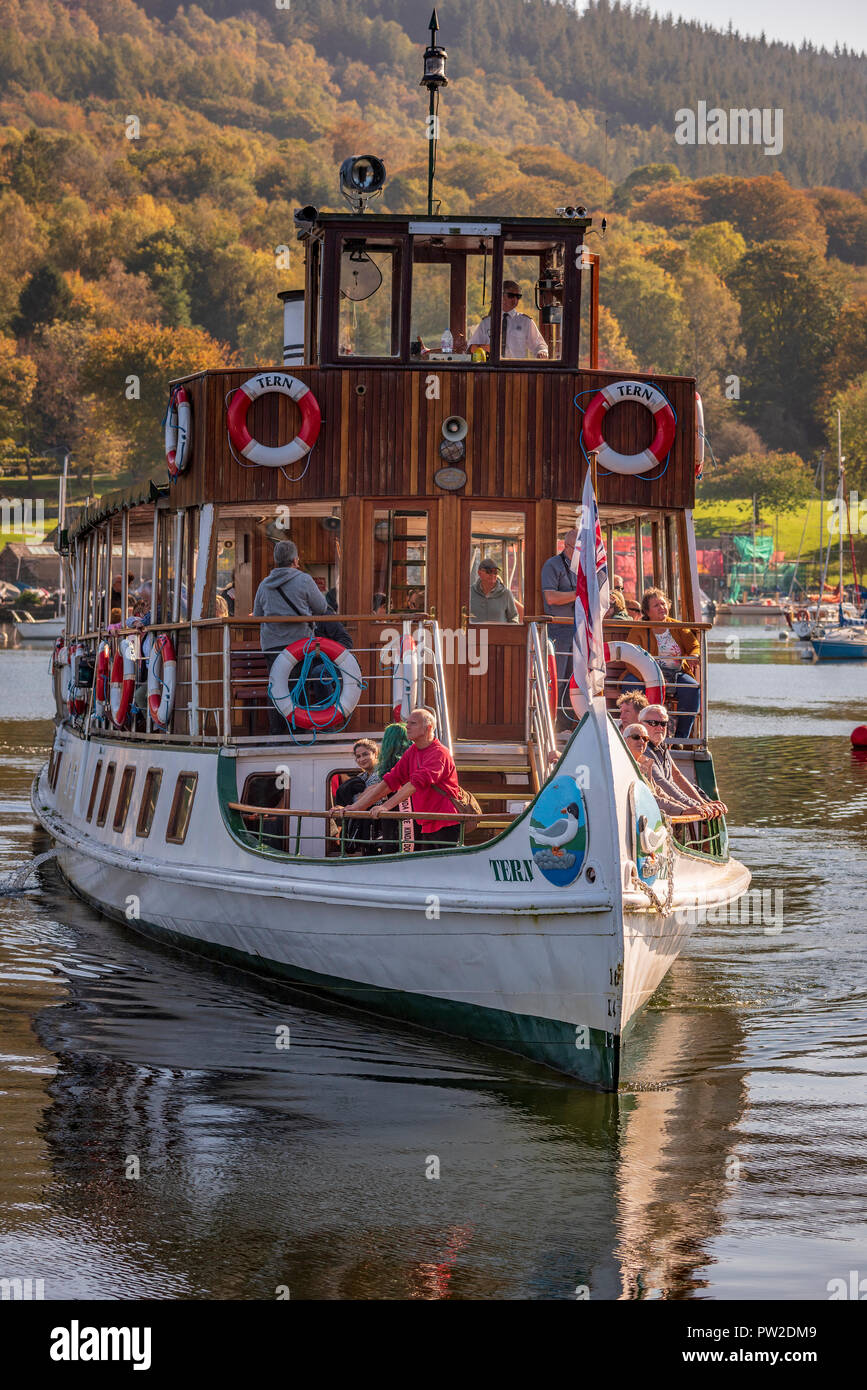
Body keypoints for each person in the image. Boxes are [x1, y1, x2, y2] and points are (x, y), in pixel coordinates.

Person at [335, 708, 461, 850]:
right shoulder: (412, 751)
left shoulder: (439, 753)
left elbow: (413, 784)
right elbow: (390, 781)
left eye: (413, 723)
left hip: (444, 823)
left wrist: (385, 807)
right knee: (427, 868)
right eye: (407, 723)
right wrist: (357, 807)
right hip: (426, 822)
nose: (407, 726)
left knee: (439, 868)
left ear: (428, 728)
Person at [252, 539, 328, 734]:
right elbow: (321, 607)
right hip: (300, 644)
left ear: (276, 560)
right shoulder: (304, 580)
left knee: (277, 684)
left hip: (272, 645)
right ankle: (299, 729)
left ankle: (277, 730)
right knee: (299, 685)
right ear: (295, 559)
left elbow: (258, 614)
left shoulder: (264, 584)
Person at [626, 587, 701, 740]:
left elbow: (694, 645)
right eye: (656, 605)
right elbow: (630, 657)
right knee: (630, 685)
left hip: (675, 674)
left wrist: (695, 655)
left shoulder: (678, 627)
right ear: (647, 612)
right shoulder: (639, 629)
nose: (662, 608)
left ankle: (681, 738)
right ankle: (633, 735)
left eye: (663, 604)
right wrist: (646, 677)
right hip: (645, 674)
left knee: (692, 688)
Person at [639, 705, 727, 817]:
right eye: (653, 723)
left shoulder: (661, 746)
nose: (659, 727)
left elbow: (676, 777)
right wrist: (692, 806)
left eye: (663, 723)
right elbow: (662, 783)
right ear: (641, 725)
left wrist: (703, 803)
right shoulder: (643, 750)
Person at [541, 529, 577, 729]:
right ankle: (552, 726)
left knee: (575, 681)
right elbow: (551, 598)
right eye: (576, 547)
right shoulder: (553, 565)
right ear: (566, 546)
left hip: (580, 629)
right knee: (558, 680)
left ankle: (570, 726)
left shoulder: (587, 566)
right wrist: (579, 593)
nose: (580, 551)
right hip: (558, 629)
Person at [469, 281, 549, 360]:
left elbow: (540, 345)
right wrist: (484, 347)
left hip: (516, 370)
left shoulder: (525, 322)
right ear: (501, 296)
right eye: (511, 295)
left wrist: (542, 352)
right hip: (492, 369)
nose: (515, 299)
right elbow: (471, 348)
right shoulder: (486, 323)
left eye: (518, 296)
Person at [469, 558, 519, 624]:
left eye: (495, 572)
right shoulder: (469, 592)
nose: (492, 575)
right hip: (475, 633)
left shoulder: (506, 594)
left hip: (499, 634)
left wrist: (509, 631)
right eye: (489, 571)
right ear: (479, 573)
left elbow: (514, 618)